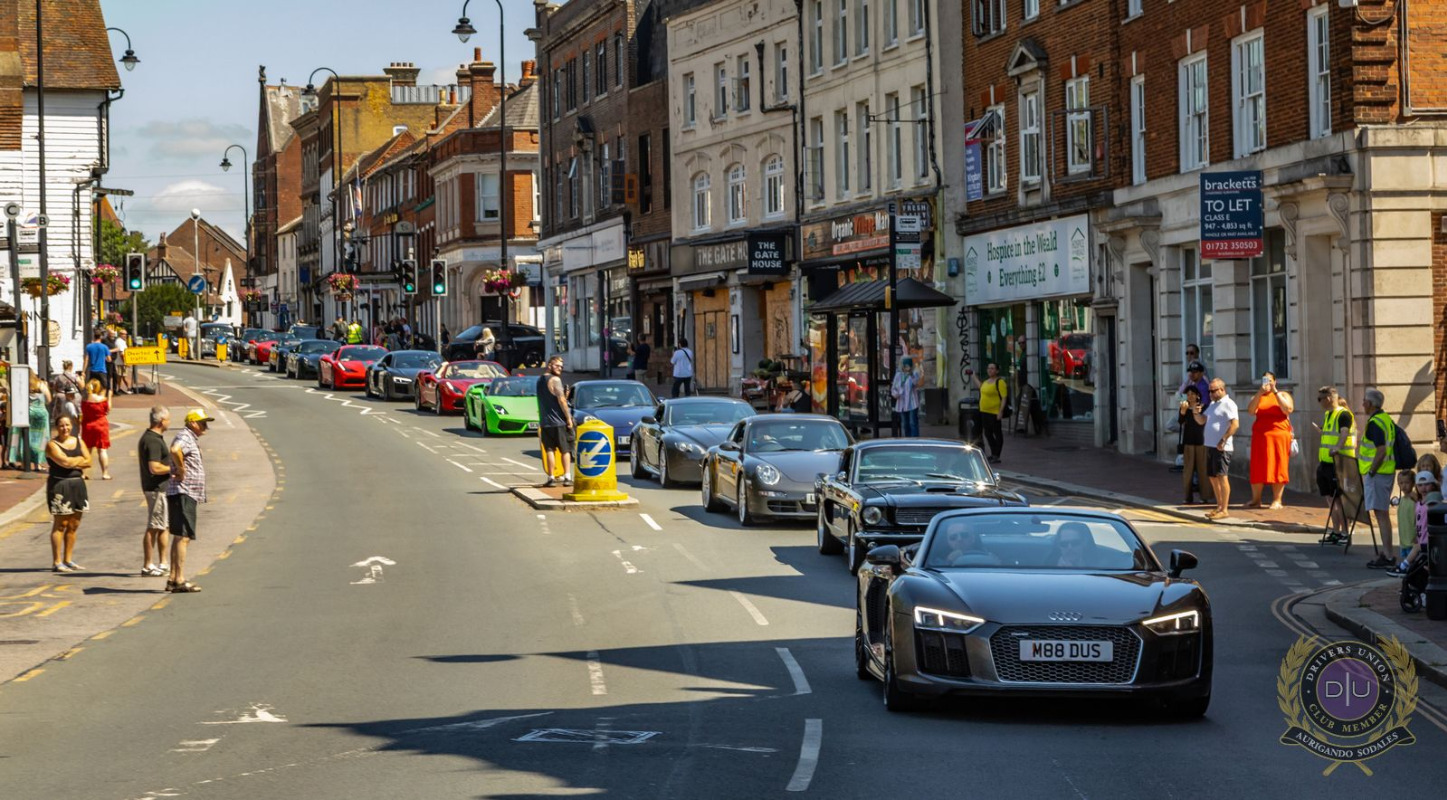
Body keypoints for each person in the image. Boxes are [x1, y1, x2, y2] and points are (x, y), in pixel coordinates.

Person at [166, 409, 213, 593]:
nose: (205, 426)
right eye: (202, 423)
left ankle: (173, 578)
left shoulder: (189, 437)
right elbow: (174, 450)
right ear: (192, 423)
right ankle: (179, 579)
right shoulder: (185, 436)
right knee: (184, 537)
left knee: (180, 535)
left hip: (185, 492)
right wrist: (181, 470)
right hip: (184, 492)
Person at [1358, 388, 1398, 568]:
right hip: (1385, 472)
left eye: (1364, 401)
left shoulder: (1375, 423)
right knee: (1382, 514)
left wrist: (1372, 471)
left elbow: (1381, 450)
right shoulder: (1385, 419)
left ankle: (1388, 556)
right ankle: (1387, 553)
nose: (1362, 404)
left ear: (1370, 404)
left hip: (1378, 474)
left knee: (1381, 514)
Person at [45, 416, 91, 572]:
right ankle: (57, 562)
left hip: (78, 484)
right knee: (61, 524)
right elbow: (64, 463)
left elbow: (89, 461)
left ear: (72, 426)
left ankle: (68, 559)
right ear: (56, 427)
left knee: (74, 524)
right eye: (61, 425)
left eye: (67, 425)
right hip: (60, 485)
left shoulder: (78, 441)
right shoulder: (52, 445)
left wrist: (73, 461)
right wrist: (79, 460)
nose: (65, 428)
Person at [1245, 371, 1295, 509]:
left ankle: (1277, 500)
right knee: (1258, 466)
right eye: (1265, 380)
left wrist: (1275, 392)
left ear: (1275, 381)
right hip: (1260, 436)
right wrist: (1260, 393)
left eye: (1270, 380)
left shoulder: (1283, 395)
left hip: (1279, 435)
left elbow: (1288, 409)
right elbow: (1251, 411)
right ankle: (1256, 499)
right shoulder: (1259, 396)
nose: (1267, 383)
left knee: (1278, 465)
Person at [1314, 386, 1358, 540]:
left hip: (1340, 464)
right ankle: (1336, 531)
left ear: (1328, 398)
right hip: (1326, 463)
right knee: (1331, 500)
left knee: (1340, 500)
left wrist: (1337, 448)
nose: (1319, 402)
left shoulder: (1343, 414)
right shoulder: (1328, 414)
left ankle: (1345, 532)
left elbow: (1344, 433)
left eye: (1320, 399)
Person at [1195, 378, 1239, 520]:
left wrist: (1223, 439)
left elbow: (1235, 424)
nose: (1210, 394)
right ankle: (1219, 506)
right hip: (1210, 445)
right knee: (1213, 477)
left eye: (1213, 391)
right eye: (1209, 391)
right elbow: (1202, 420)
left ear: (1222, 389)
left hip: (1222, 447)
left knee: (1221, 476)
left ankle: (1224, 509)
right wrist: (1195, 413)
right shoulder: (1213, 404)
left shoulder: (1229, 404)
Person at [138, 406, 172, 578]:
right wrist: (173, 469)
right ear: (161, 421)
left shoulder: (154, 438)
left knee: (163, 526)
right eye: (168, 419)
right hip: (156, 489)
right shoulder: (152, 441)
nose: (169, 422)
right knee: (154, 526)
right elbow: (154, 467)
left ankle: (163, 563)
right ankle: (148, 565)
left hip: (161, 489)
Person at [1389, 470, 1443, 577]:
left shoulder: (1433, 502)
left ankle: (1403, 567)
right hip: (1421, 538)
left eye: (1427, 484)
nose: (1423, 488)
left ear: (1433, 485)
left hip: (1430, 540)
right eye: (1420, 485)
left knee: (1417, 548)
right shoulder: (1418, 502)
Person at [536, 356, 574, 487]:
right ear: (549, 365)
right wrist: (568, 418)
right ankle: (567, 477)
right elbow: (561, 400)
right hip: (559, 422)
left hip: (545, 422)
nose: (560, 369)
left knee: (550, 450)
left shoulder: (540, 380)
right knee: (565, 450)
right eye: (557, 365)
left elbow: (548, 398)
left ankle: (551, 478)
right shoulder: (555, 380)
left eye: (561, 367)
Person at [1178, 385, 1213, 505]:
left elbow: (1205, 421)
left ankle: (1204, 496)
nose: (1190, 396)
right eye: (1188, 394)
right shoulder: (1184, 407)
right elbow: (1180, 422)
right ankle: (1187, 497)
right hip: (1188, 442)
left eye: (1192, 394)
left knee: (1203, 470)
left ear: (1198, 395)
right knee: (1188, 472)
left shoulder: (1203, 407)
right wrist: (1182, 412)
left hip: (1201, 442)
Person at [1172, 352, 1208, 471]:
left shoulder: (1203, 386)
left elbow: (1204, 404)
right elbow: (1181, 395)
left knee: (1197, 454)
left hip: (1198, 421)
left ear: (1201, 373)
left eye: (1195, 372)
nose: (1192, 374)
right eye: (1190, 372)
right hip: (1189, 420)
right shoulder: (1191, 383)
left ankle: (1195, 474)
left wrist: (1192, 409)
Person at [9, 374, 51, 472]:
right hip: (41, 413)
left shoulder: (22, 385)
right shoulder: (41, 384)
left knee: (25, 438)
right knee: (40, 439)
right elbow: (49, 400)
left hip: (27, 413)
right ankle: (38, 464)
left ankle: (24, 463)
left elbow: (14, 399)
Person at [972, 362, 1009, 464]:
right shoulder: (986, 381)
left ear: (997, 371)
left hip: (994, 412)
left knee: (997, 433)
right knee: (987, 433)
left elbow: (1004, 398)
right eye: (988, 368)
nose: (990, 370)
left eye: (992, 368)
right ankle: (993, 453)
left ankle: (997, 455)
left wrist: (1000, 411)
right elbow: (981, 387)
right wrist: (974, 377)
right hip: (984, 411)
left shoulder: (1000, 382)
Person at [80, 379, 112, 480]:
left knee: (87, 450)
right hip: (101, 425)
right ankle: (105, 473)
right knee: (102, 450)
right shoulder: (102, 399)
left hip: (88, 426)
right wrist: (109, 397)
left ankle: (83, 473)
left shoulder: (84, 400)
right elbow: (108, 410)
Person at [891, 356, 922, 437]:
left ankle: (915, 439)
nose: (907, 368)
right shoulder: (898, 375)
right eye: (905, 366)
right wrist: (896, 394)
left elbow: (915, 383)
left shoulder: (914, 374)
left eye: (909, 366)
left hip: (912, 403)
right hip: (902, 403)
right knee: (905, 423)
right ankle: (908, 439)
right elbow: (894, 388)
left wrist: (911, 375)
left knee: (912, 422)